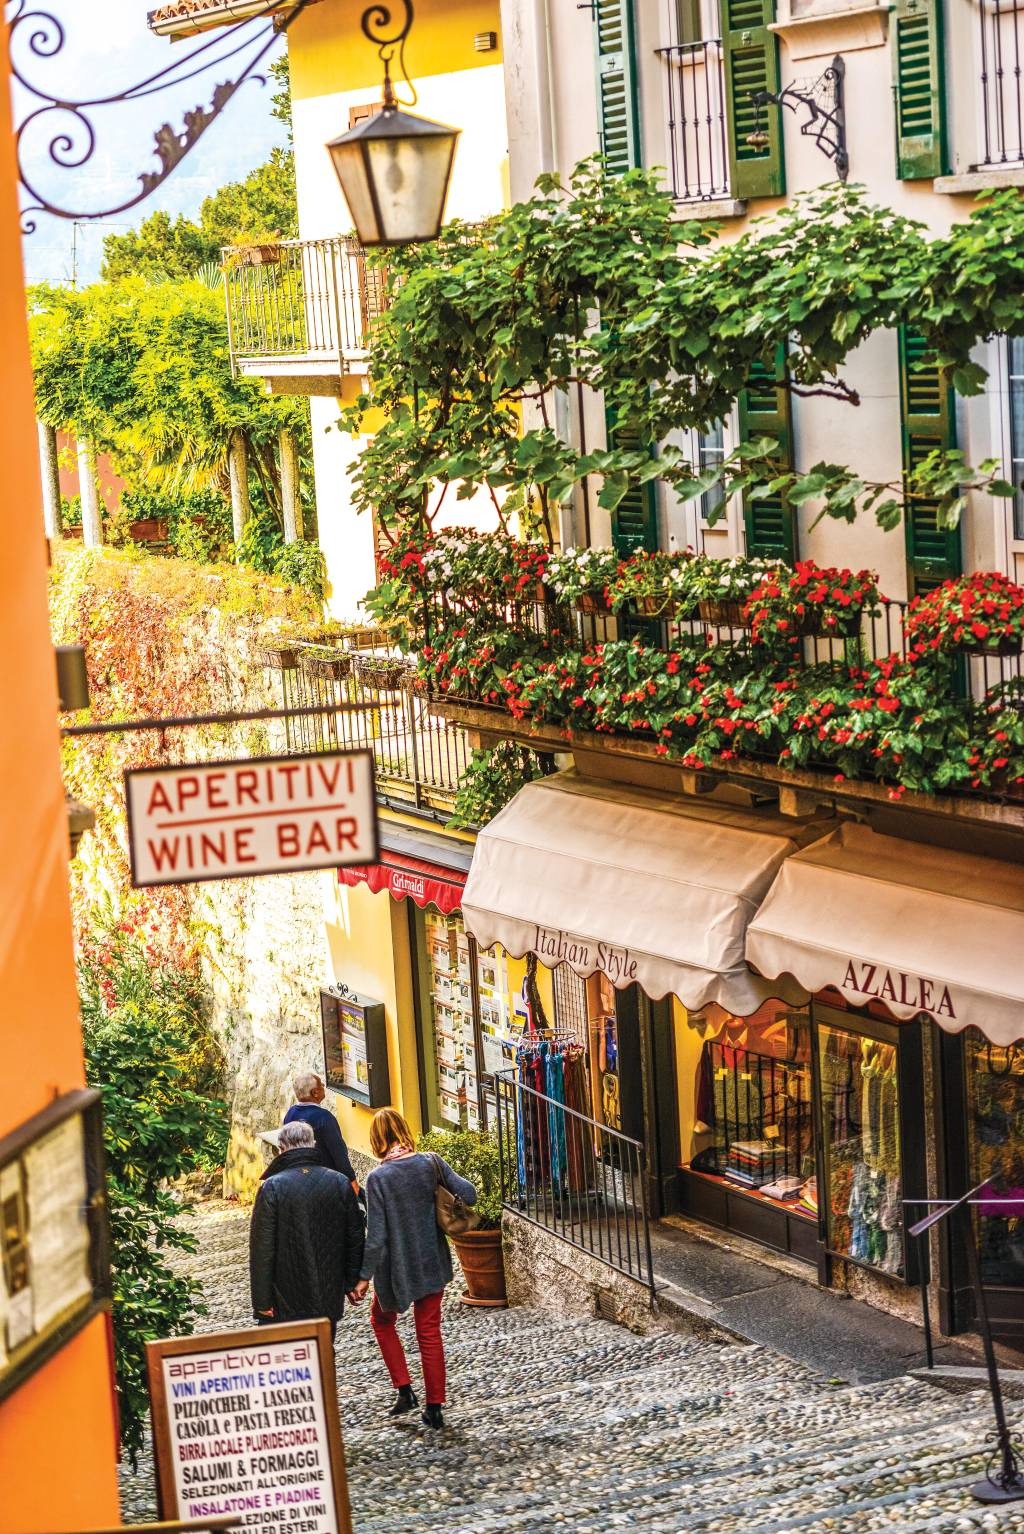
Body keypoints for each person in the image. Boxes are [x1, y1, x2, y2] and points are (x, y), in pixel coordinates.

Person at [347, 1107, 477, 1431]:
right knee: (429, 1332)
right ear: (404, 1130)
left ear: (377, 1140)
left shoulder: (378, 1178)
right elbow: (470, 1193)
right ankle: (434, 1408)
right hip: (432, 1262)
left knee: (381, 1319)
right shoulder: (430, 1162)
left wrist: (363, 1278)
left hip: (397, 1269)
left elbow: (376, 1236)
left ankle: (405, 1390)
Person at [250, 1120, 365, 1342]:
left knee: (292, 1359)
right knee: (323, 1351)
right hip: (328, 1290)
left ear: (281, 1148)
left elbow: (262, 1248)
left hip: (285, 1294)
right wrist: (352, 1281)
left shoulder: (272, 1187)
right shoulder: (339, 1182)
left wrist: (262, 1302)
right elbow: (355, 1236)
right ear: (313, 1145)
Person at [284, 1070, 360, 1195]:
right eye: (320, 1085)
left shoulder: (290, 1114)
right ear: (315, 1093)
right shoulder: (324, 1118)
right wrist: (352, 1182)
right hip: (326, 1183)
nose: (324, 1086)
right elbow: (339, 1154)